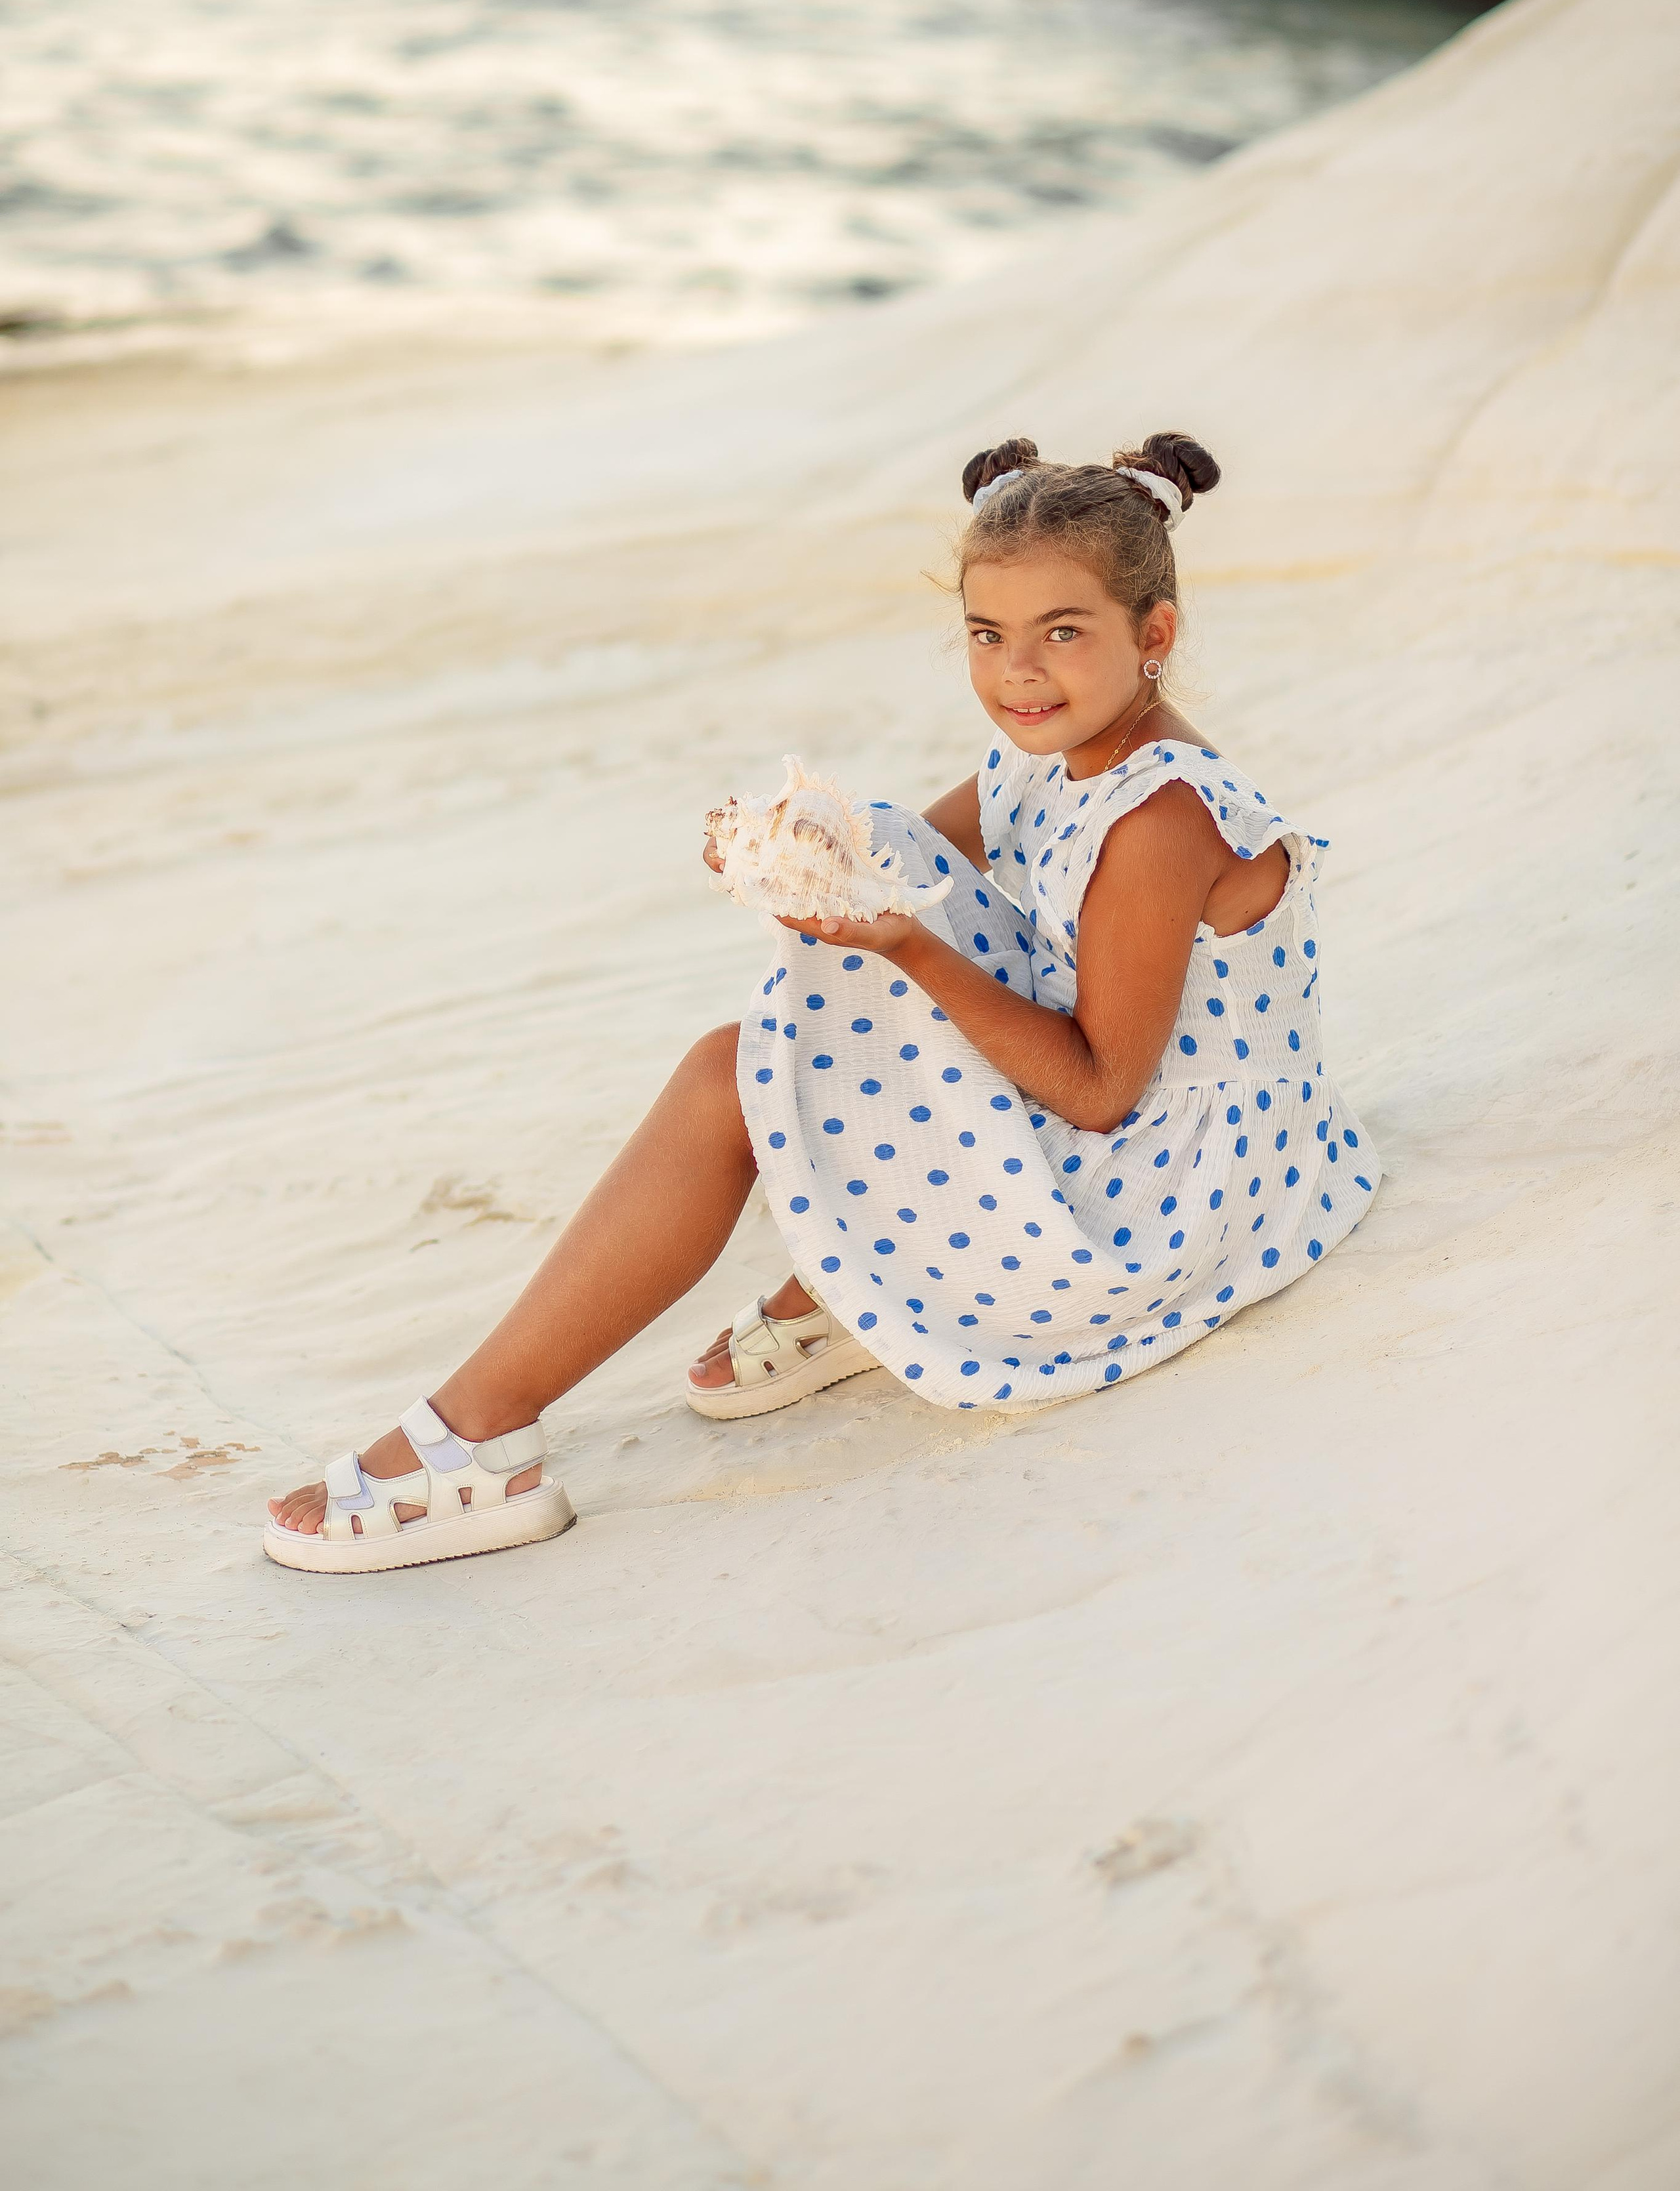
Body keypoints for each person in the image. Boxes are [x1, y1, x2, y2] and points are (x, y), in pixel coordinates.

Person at [264, 431, 1379, 1572]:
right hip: (1141, 1123)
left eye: (1062, 633)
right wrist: (788, 854)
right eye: (987, 636)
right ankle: (872, 1270)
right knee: (847, 910)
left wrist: (903, 944)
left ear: (1155, 636)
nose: (1018, 673)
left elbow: (1099, 1092)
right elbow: (904, 863)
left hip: (1160, 1195)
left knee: (731, 1079)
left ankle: (476, 1444)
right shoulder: (1059, 750)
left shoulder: (1158, 819)